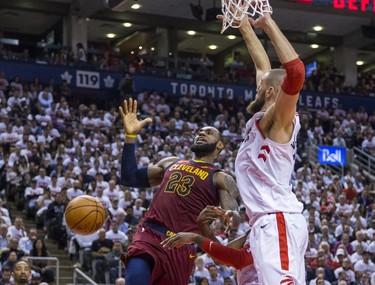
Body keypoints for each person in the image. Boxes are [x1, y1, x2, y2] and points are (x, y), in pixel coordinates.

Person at [119, 98, 240, 285]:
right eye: (199, 132)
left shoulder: (221, 178)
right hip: (150, 234)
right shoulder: (172, 162)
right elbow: (130, 177)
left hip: (182, 246)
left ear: (220, 145)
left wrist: (228, 215)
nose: (201, 134)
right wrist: (130, 137)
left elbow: (234, 215)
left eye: (208, 133)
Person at [231, 8, 308, 285]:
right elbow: (263, 67)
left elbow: (296, 73)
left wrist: (268, 24)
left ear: (271, 92)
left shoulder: (279, 119)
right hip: (269, 223)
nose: (256, 87)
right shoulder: (263, 117)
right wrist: (244, 26)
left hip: (276, 221)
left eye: (259, 87)